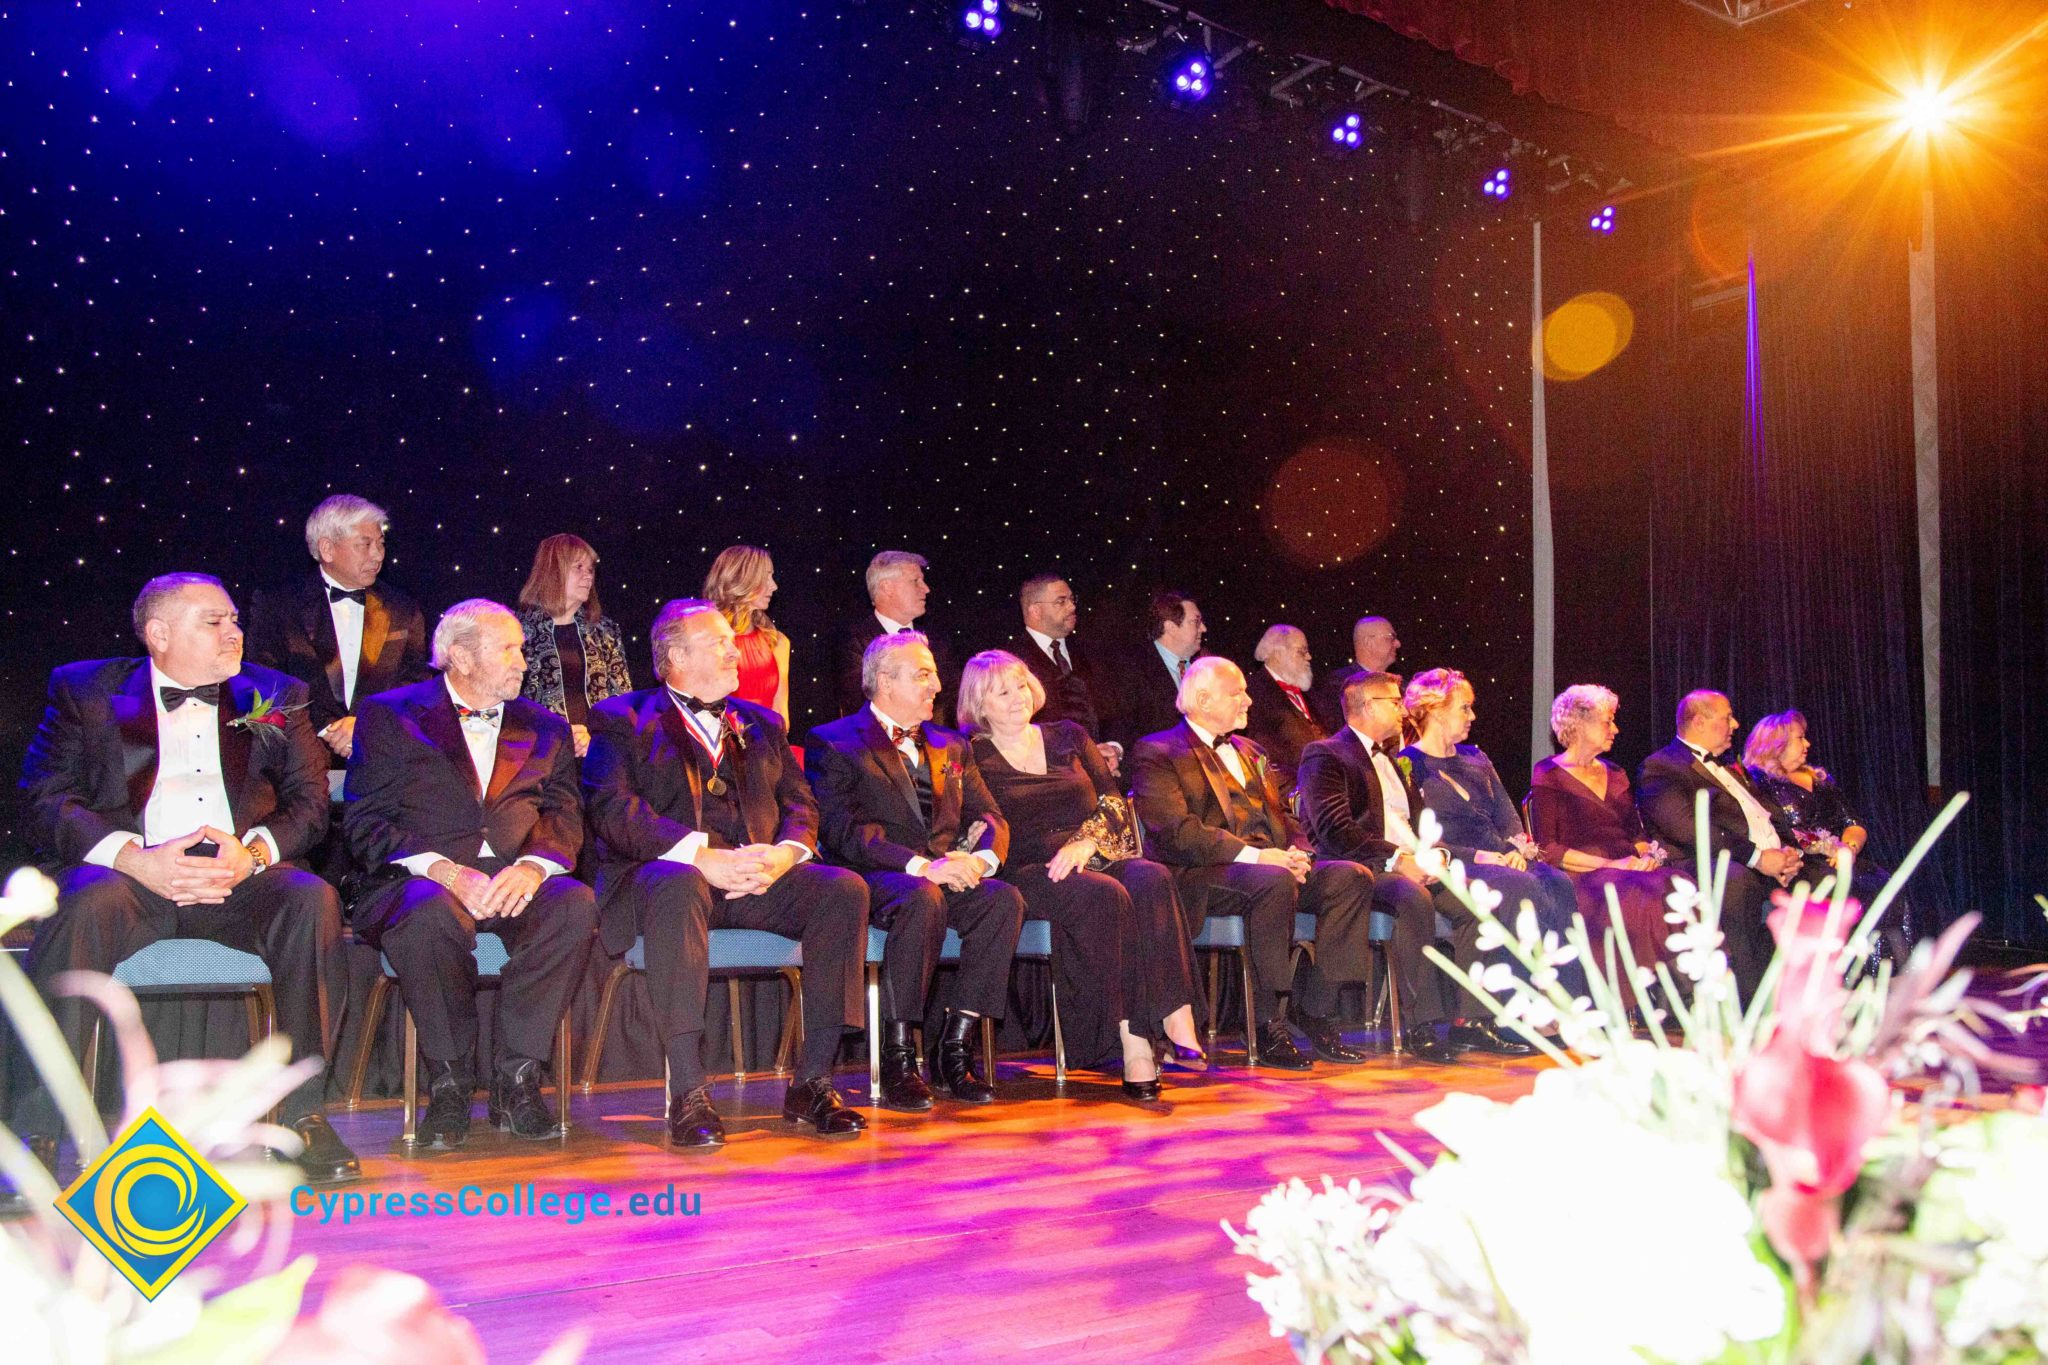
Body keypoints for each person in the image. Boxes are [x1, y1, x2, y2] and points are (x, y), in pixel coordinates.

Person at [14, 573, 358, 1189]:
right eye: (215, 622)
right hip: (131, 877)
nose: (235, 632)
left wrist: (252, 853)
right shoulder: (85, 690)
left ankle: (304, 1114)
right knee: (82, 908)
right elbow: (44, 798)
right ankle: (36, 1127)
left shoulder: (277, 693)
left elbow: (310, 803)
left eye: (234, 619)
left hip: (239, 879)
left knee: (312, 899)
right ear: (159, 634)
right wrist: (131, 856)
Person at [583, 600, 868, 1147]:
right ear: (674, 656)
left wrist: (785, 854)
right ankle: (687, 1090)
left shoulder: (762, 722)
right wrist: (698, 854)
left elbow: (801, 804)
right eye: (717, 641)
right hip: (665, 881)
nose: (733, 648)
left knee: (843, 889)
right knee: (680, 881)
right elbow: (613, 810)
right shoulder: (623, 718)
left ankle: (813, 1079)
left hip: (754, 877)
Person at [343, 600, 597, 1148]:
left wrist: (533, 866)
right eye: (508, 650)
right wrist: (445, 872)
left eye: (522, 651)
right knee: (427, 916)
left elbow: (564, 814)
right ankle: (451, 1081)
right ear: (459, 656)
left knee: (573, 905)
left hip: (515, 878)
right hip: (422, 878)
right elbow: (365, 821)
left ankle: (517, 1078)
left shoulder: (545, 725)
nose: (523, 663)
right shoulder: (391, 714)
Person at [960, 650, 1205, 1101]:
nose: (1016, 697)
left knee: (1151, 877)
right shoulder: (971, 753)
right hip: (1031, 868)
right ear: (978, 705)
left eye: (1020, 684)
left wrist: (1087, 841)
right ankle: (1135, 1043)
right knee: (1104, 894)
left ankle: (1175, 1010)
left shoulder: (1068, 735)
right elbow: (969, 818)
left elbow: (1113, 801)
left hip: (1091, 851)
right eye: (1001, 691)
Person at [807, 632, 1024, 1110]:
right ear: (885, 681)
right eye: (923, 674)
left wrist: (979, 859)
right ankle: (900, 1056)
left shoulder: (952, 745)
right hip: (877, 878)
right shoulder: (835, 740)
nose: (937, 685)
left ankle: (954, 1046)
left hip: (945, 872)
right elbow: (842, 831)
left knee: (1002, 899)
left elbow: (991, 817)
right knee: (921, 897)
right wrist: (924, 866)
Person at [1128, 658, 1377, 1071]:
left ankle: (1315, 1009)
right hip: (1204, 875)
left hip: (1271, 865)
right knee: (1273, 882)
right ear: (1203, 700)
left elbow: (1288, 818)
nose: (1249, 699)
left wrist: (1299, 853)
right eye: (1237, 692)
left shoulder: (1253, 751)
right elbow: (1176, 831)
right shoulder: (1157, 751)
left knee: (1351, 878)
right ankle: (1265, 1022)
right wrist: (1260, 857)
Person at [1295, 671, 1483, 1063]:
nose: (1403, 711)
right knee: (1412, 897)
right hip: (1363, 868)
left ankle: (1472, 1020)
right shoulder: (1325, 754)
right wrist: (1398, 860)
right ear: (1366, 706)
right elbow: (1334, 829)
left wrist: (1438, 856)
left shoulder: (1395, 760)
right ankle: (1422, 1025)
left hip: (1410, 861)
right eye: (1394, 703)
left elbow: (1418, 824)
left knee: (1473, 903)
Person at [1400, 668, 1582, 1035]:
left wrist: (1516, 848)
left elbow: (1508, 816)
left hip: (1502, 859)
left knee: (1558, 882)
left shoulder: (1476, 758)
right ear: (1436, 711)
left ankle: (1564, 1005)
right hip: (1455, 863)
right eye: (1464, 708)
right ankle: (1509, 1015)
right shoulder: (1407, 764)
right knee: (1518, 888)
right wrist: (1482, 857)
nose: (1473, 717)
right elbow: (1416, 835)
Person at [1637, 690, 1823, 1003]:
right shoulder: (1662, 767)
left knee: (1824, 880)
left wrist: (1789, 853)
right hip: (1704, 862)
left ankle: (1815, 997)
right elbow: (1690, 830)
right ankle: (1746, 1003)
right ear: (1699, 722)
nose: (1735, 724)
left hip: (1761, 859)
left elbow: (1769, 816)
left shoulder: (1730, 769)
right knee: (1736, 881)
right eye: (1727, 717)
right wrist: (1758, 858)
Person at [245, 494, 433, 799]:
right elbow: (264, 683)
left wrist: (364, 725)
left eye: (381, 543)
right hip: (298, 771)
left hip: (382, 770)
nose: (378, 555)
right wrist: (327, 730)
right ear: (327, 549)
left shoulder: (403, 609)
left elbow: (415, 685)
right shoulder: (278, 605)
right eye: (365, 544)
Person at [1527, 685, 1683, 1011]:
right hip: (1585, 875)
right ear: (1579, 723)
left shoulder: (1616, 773)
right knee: (1636, 897)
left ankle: (1677, 989)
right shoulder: (1549, 774)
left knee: (1677, 885)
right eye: (1607, 721)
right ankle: (1644, 997)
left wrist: (1645, 856)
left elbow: (1635, 833)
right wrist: (1613, 866)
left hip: (1627, 867)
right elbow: (1549, 849)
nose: (1616, 729)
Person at [1742, 709, 1905, 956]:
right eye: (1800, 738)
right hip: (1796, 866)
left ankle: (1887, 974)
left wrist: (1848, 850)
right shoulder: (1757, 782)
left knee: (1883, 883)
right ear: (1777, 743)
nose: (1807, 743)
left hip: (1834, 860)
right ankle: (1843, 976)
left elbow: (1853, 823)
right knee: (1834, 887)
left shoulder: (1820, 780)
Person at [515, 533, 633, 759]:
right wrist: (559, 735)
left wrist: (598, 738)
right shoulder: (518, 632)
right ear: (552, 571)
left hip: (600, 755)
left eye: (590, 569)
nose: (588, 576)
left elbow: (623, 701)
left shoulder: (605, 632)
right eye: (578, 567)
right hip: (540, 758)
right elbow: (511, 704)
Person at [1009, 573, 1120, 771]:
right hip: (1048, 777)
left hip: (1103, 773)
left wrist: (1113, 747)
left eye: (1071, 599)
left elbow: (1114, 710)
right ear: (1035, 610)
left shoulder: (1091, 652)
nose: (1072, 607)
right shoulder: (1012, 661)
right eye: (1061, 601)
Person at [830, 550, 956, 723]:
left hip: (937, 744)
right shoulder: (854, 641)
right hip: (878, 745)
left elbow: (951, 702)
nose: (926, 589)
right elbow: (861, 702)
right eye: (915, 581)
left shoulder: (938, 640)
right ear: (887, 587)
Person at [1106, 590, 1208, 751]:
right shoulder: (1133, 667)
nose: (1203, 628)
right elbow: (1122, 722)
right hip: (1157, 767)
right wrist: (1115, 749)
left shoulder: (1205, 668)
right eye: (1195, 622)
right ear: (1171, 628)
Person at [703, 545, 792, 725]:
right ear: (741, 579)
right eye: (766, 577)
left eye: (772, 576)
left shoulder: (777, 642)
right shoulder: (706, 642)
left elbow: (781, 717)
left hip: (766, 746)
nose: (774, 586)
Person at [1243, 624, 1327, 795]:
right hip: (1289, 796)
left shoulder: (1310, 694)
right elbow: (1260, 753)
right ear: (1278, 653)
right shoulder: (1252, 694)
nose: (1309, 657)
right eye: (1302, 651)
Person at [1309, 614, 1401, 734]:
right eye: (1391, 637)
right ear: (1368, 642)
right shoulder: (1338, 685)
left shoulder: (1400, 686)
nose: (1398, 643)